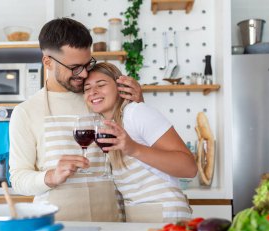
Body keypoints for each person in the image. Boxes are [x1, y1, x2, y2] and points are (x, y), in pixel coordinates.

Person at [9, 18, 143, 221]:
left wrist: (138, 106)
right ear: (48, 62)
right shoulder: (26, 112)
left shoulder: (100, 99)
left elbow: (135, 149)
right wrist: (51, 176)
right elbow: (18, 179)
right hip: (57, 225)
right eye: (75, 67)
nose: (85, 73)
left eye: (88, 64)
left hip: (111, 219)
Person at [83, 62, 197, 222]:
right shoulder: (107, 126)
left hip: (167, 217)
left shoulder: (136, 113)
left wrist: (133, 148)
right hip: (140, 218)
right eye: (86, 89)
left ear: (120, 87)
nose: (93, 92)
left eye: (101, 85)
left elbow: (189, 168)